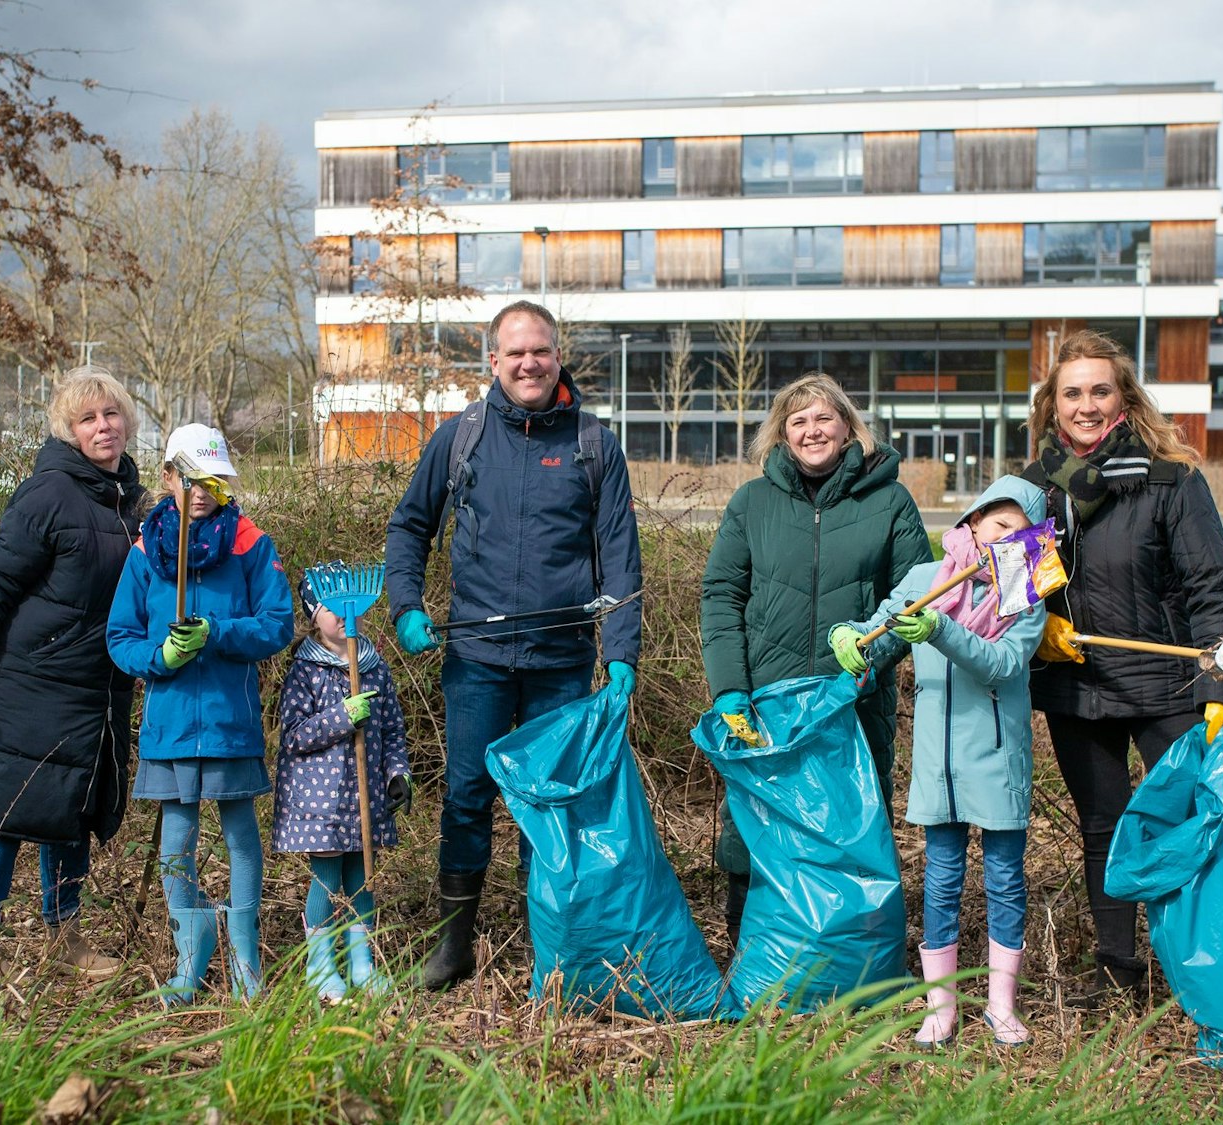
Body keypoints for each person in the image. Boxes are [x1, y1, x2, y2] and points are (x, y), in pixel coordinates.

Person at [384, 299, 643, 991]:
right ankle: (453, 948)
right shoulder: (461, 436)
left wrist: (620, 652)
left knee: (551, 805)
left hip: (563, 664)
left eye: (541, 351)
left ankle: (549, 952)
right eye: (515, 352)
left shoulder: (595, 444)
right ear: (493, 361)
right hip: (477, 663)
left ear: (559, 358)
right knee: (467, 797)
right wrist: (406, 604)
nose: (529, 363)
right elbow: (409, 526)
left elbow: (620, 558)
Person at [1021, 329, 1223, 1006]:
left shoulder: (1171, 478)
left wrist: (1221, 687)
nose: (1086, 405)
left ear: (1123, 397)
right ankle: (1118, 973)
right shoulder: (1034, 490)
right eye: (1072, 393)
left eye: (1099, 390)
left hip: (1165, 689)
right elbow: (1022, 584)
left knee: (1187, 829)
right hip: (1077, 689)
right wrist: (1040, 625)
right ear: (1052, 406)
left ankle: (1205, 974)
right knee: (1105, 832)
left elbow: (1214, 590)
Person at [0, 365, 145, 990]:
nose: (103, 426)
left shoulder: (131, 503)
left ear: (127, 422)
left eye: (111, 414)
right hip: (32, 681)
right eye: (88, 418)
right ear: (69, 431)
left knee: (74, 807)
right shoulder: (47, 495)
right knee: (6, 811)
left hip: (99, 685)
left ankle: (65, 936)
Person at [700, 373, 931, 948]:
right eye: (797, 421)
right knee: (755, 820)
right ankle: (750, 949)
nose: (812, 431)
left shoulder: (891, 501)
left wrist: (872, 656)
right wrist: (730, 688)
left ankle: (845, 954)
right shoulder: (752, 502)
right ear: (780, 434)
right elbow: (721, 595)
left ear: (848, 427)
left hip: (852, 698)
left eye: (824, 417)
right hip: (766, 698)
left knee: (848, 825)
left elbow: (916, 594)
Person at [834, 477, 1049, 1049]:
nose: (1008, 538)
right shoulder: (927, 579)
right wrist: (852, 638)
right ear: (973, 523)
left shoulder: (1025, 594)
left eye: (1022, 533)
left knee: (1004, 878)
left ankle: (1001, 1006)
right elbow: (882, 628)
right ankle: (942, 1006)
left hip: (999, 756)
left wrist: (941, 630)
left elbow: (1002, 664)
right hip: (937, 757)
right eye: (999, 525)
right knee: (941, 876)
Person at [106, 424, 293, 1006]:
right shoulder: (146, 550)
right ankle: (191, 952)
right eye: (190, 477)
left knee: (241, 834)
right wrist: (157, 657)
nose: (203, 490)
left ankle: (244, 953)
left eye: (214, 478)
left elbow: (278, 625)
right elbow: (120, 636)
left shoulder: (249, 543)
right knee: (175, 842)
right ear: (167, 478)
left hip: (229, 717)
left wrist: (218, 633)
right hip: (169, 723)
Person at [274, 574, 413, 1003]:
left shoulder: (374, 665)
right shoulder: (307, 669)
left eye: (350, 607)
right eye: (333, 608)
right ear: (315, 617)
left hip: (366, 795)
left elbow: (392, 728)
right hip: (320, 799)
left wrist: (397, 774)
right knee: (327, 874)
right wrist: (341, 717)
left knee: (362, 877)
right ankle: (320, 965)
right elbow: (293, 734)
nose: (343, 616)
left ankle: (360, 962)